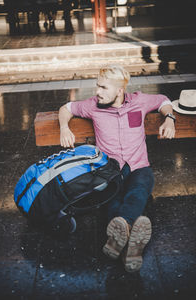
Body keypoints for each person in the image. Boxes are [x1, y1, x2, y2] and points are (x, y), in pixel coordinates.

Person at [58, 65, 175, 272]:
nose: (97, 92)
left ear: (119, 91)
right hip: (110, 170)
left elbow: (164, 100)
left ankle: (118, 240)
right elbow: (66, 108)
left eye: (103, 88)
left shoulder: (139, 101)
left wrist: (170, 119)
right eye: (97, 86)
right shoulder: (92, 105)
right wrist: (64, 127)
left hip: (138, 165)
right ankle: (132, 246)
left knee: (139, 190)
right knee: (112, 199)